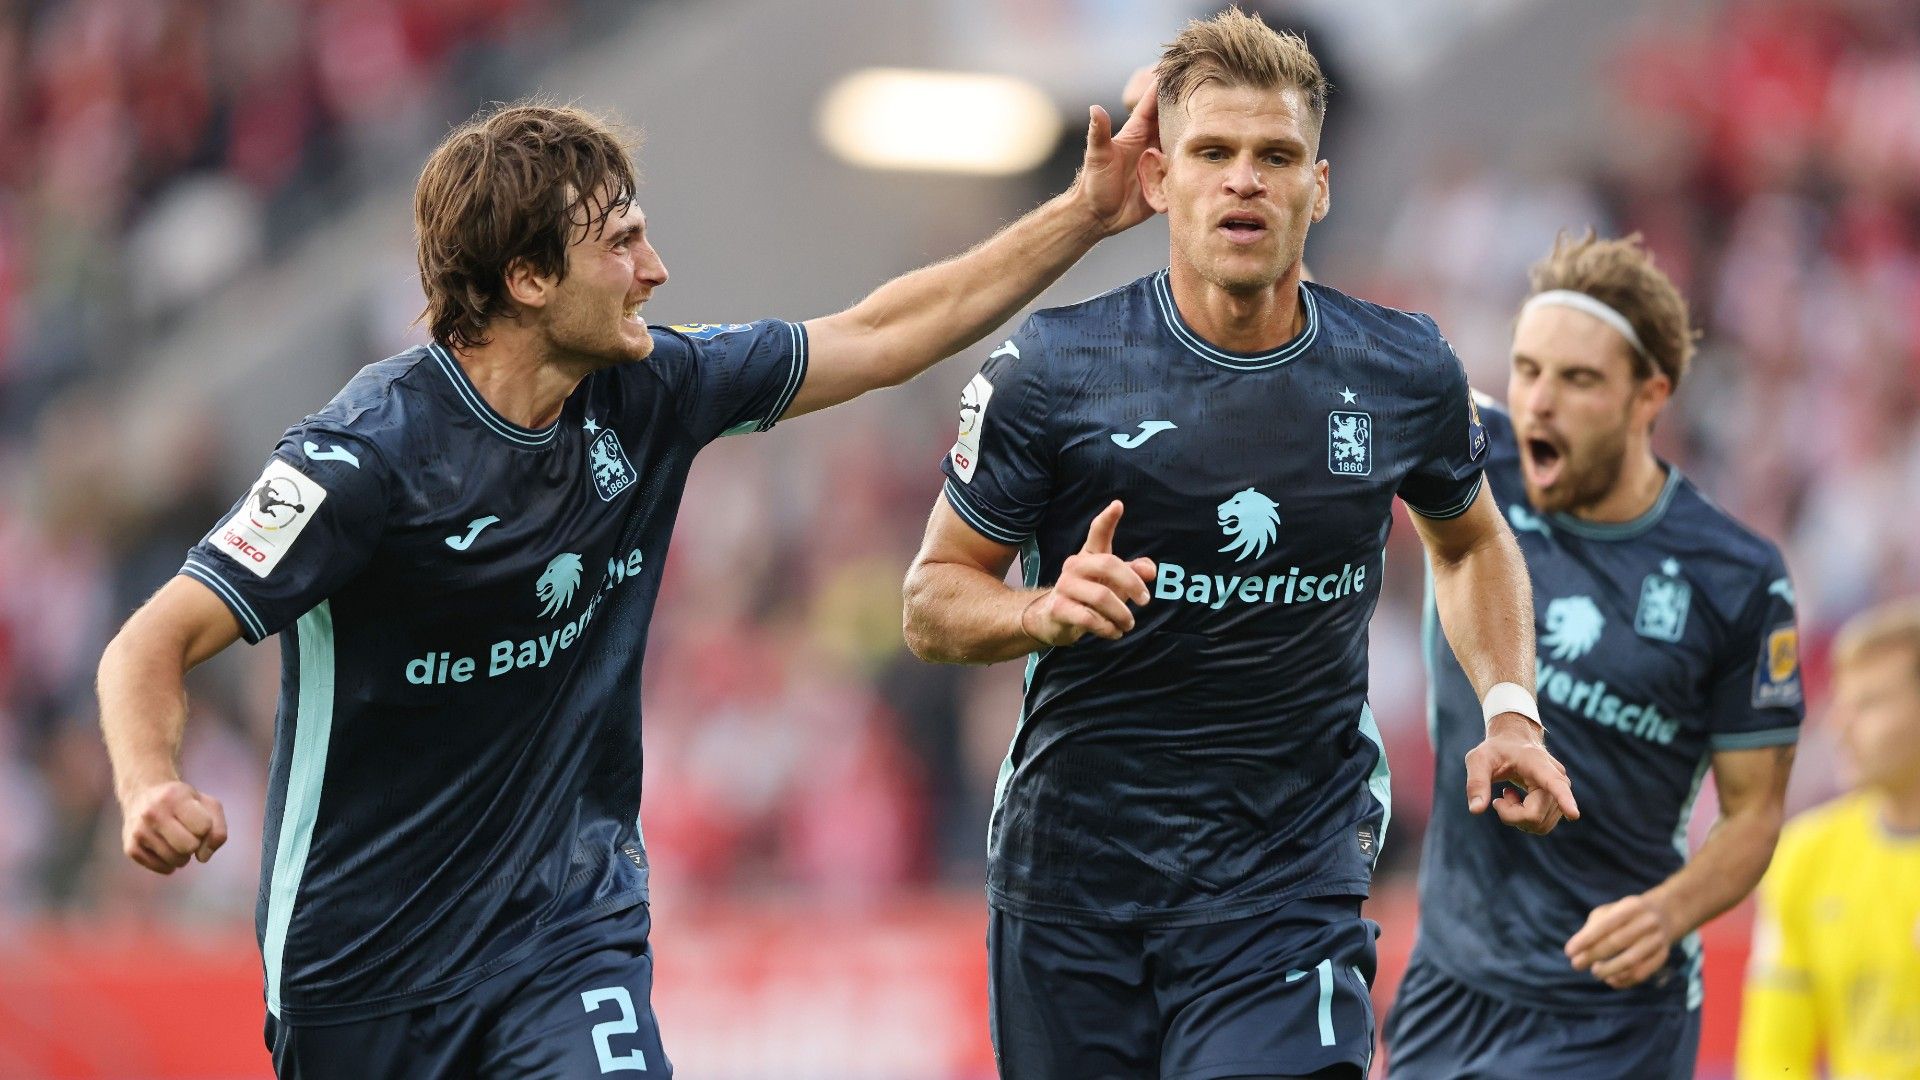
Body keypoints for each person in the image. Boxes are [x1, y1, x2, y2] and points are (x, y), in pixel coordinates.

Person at [95, 95, 1159, 1078]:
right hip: (362, 965)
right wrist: (150, 783)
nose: (654, 268)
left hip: (565, 934)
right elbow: (147, 642)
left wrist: (1081, 214)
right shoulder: (360, 461)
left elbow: (876, 337)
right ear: (525, 278)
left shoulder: (654, 390)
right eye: (620, 243)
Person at [901, 12, 1576, 1079]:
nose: (1245, 182)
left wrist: (1511, 710)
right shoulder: (1053, 371)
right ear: (1162, 179)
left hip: (1287, 881)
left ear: (1321, 185)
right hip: (1074, 885)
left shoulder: (1403, 370)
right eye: (1214, 153)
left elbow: (1471, 544)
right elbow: (933, 601)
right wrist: (1039, 611)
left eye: (1275, 157)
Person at [1382, 232, 1803, 1079]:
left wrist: (1668, 913)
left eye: (1577, 381)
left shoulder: (1737, 578)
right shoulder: (1473, 462)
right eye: (1528, 369)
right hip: (1448, 987)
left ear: (1651, 395)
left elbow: (1754, 813)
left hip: (1611, 1007)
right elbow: (1316, 334)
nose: (1538, 402)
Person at [1737, 600, 1920, 1079]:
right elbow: (1773, 1059)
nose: (1838, 725)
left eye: (1870, 703)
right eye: (1842, 702)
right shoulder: (1805, 855)